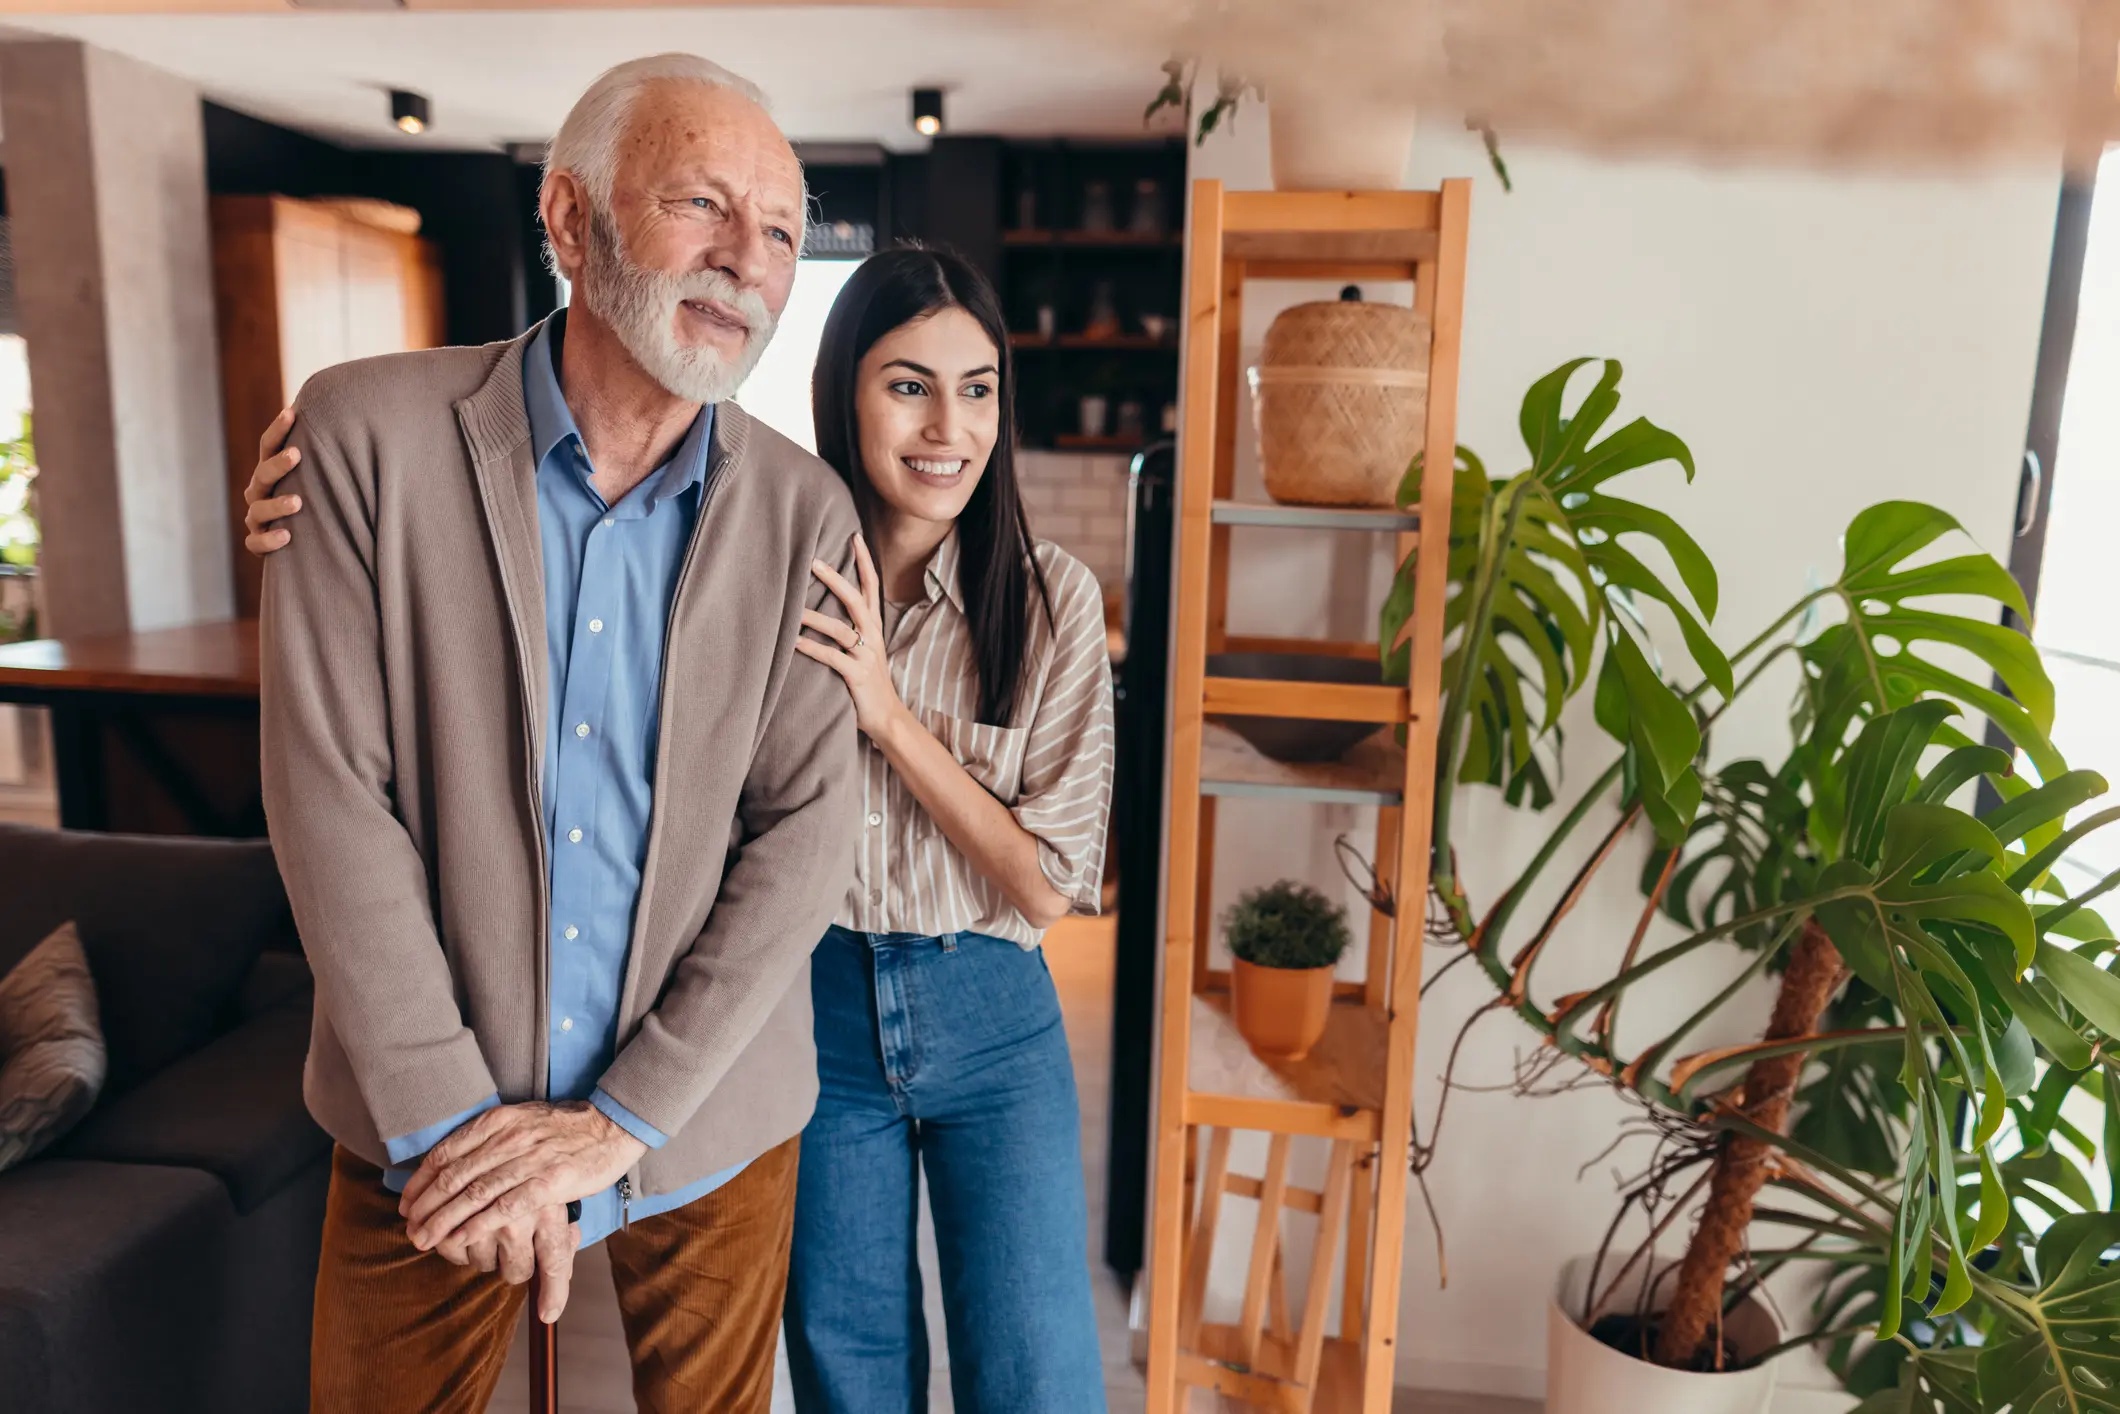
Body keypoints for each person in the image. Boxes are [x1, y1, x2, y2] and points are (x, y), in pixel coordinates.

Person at [247, 246, 1117, 1411]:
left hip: (989, 1014)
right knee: (848, 1366)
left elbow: (1050, 883)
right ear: (843, 391)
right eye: (908, 384)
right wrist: (297, 501)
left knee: (1035, 1372)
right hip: (810, 1004)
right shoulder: (771, 531)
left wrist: (884, 710)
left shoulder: (1048, 594)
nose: (946, 426)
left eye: (977, 388)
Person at [253, 52, 862, 1413]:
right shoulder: (360, 438)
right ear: (574, 222)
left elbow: (807, 836)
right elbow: (330, 796)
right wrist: (451, 1124)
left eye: (776, 230)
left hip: (706, 1123)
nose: (745, 261)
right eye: (702, 204)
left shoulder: (811, 515)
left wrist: (619, 1119)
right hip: (429, 1138)